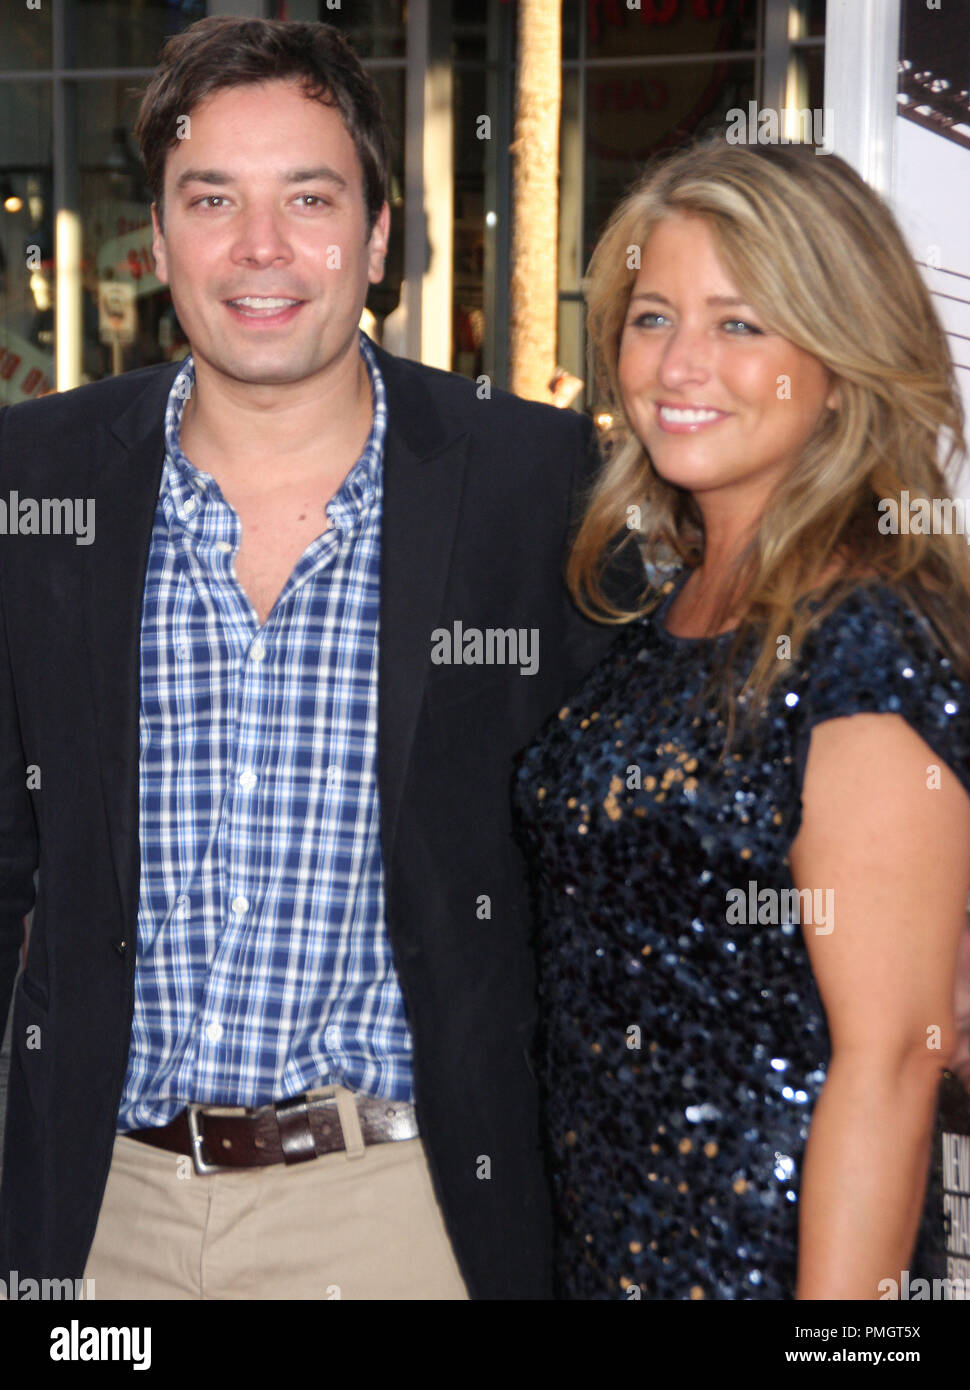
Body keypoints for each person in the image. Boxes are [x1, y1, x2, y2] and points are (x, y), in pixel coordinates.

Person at [0, 16, 636, 1300]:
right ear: (164, 238)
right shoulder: (36, 480)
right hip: (96, 1224)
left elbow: (630, 830)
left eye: (309, 196)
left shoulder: (532, 482)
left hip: (395, 1220)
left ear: (380, 233)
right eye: (211, 198)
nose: (261, 249)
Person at [512, 138, 970, 1300]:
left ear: (839, 355)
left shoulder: (863, 638)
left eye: (740, 324)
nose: (679, 363)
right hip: (607, 1254)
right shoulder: (664, 612)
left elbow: (891, 1069)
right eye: (652, 316)